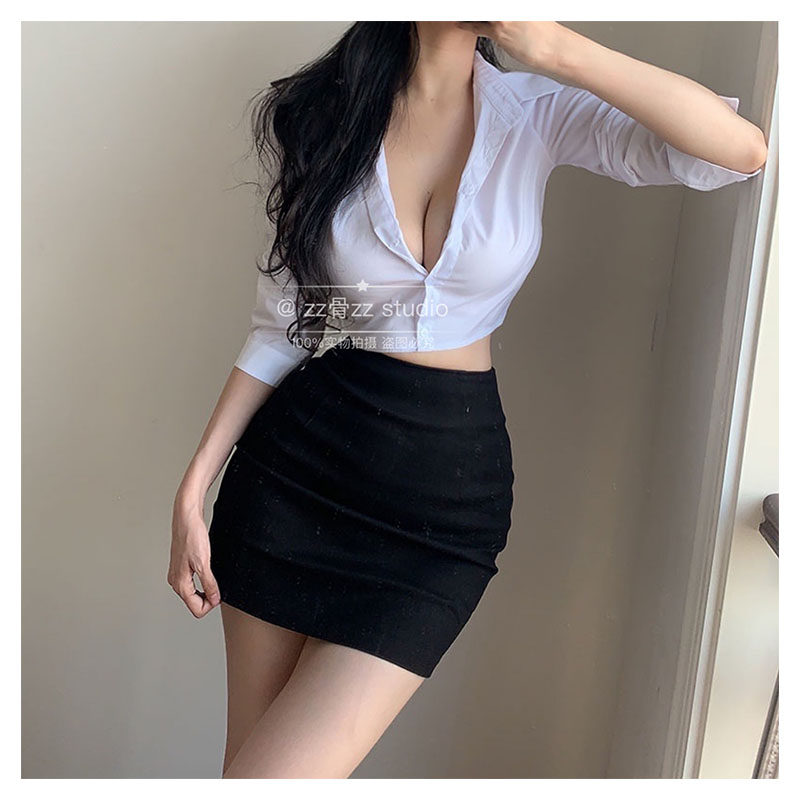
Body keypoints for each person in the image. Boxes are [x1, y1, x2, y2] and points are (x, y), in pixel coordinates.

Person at [167, 21, 768, 779]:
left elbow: (737, 151)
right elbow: (283, 322)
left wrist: (554, 49)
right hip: (292, 482)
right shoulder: (323, 111)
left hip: (441, 512)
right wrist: (193, 488)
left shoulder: (538, 110)